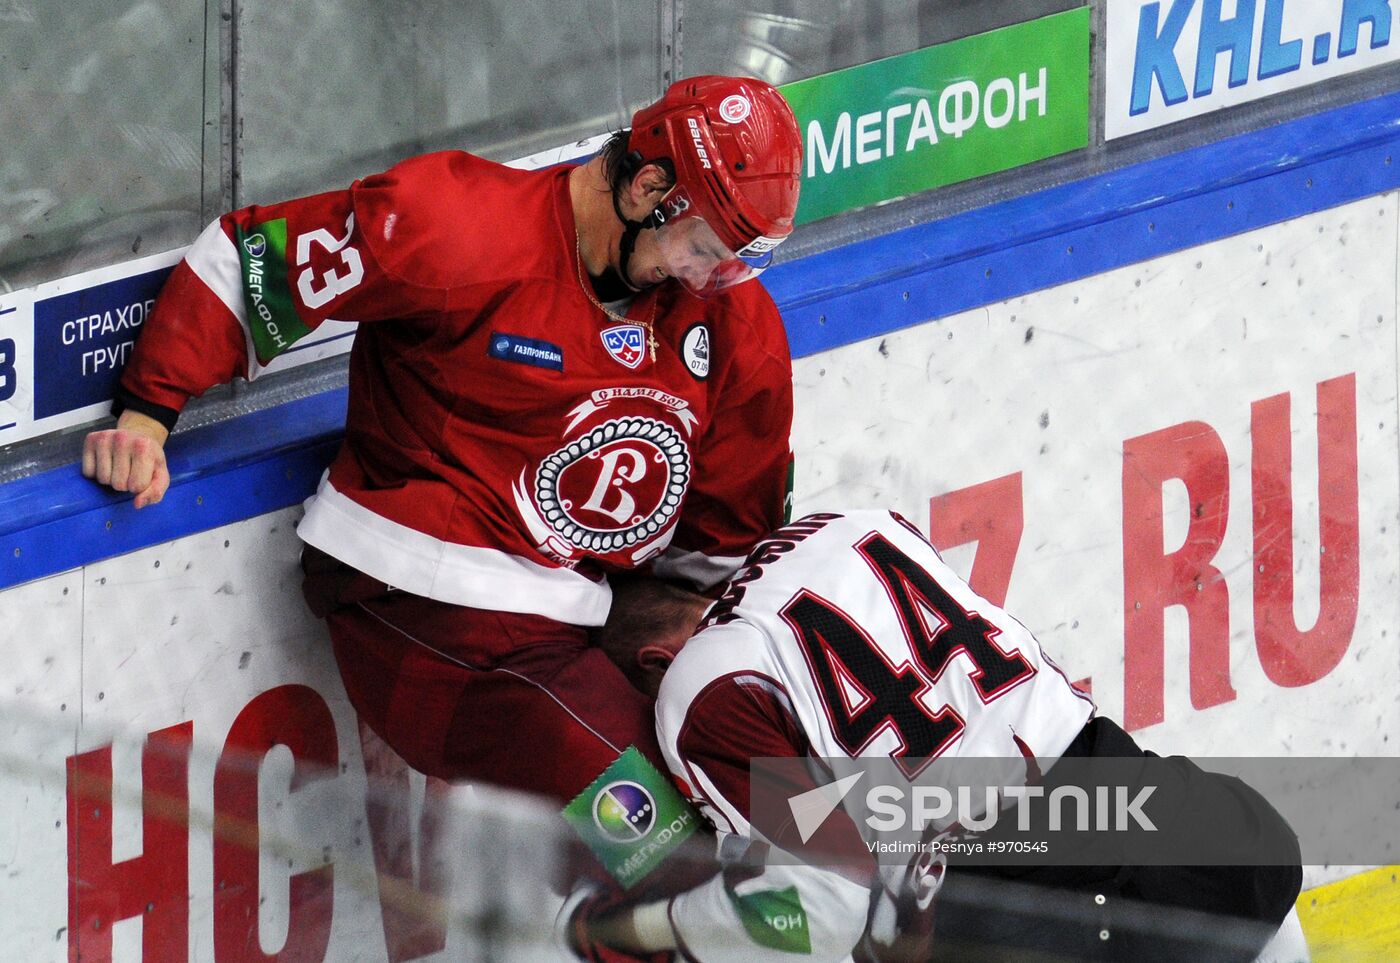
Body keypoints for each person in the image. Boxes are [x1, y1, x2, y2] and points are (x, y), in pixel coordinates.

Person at [79, 75, 803, 806]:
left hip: (575, 622)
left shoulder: (731, 326)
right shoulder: (460, 225)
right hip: (421, 615)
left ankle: (864, 876)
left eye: (742, 259)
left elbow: (721, 549)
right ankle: (678, 905)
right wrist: (147, 410)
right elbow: (252, 265)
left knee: (760, 760)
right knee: (671, 821)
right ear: (648, 188)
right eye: (708, 247)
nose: (717, 278)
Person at [578, 509, 1308, 962]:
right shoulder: (850, 525)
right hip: (1199, 831)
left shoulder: (695, 683)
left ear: (655, 661)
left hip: (1040, 909)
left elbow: (818, 908)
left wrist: (628, 928)